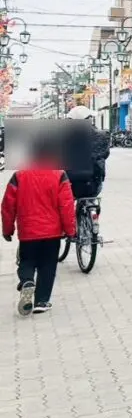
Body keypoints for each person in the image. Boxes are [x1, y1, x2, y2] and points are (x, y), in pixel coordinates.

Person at [3, 134, 76, 316]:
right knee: (48, 265)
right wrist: (70, 230)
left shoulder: (19, 176)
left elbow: (7, 206)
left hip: (28, 232)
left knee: (27, 260)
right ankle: (42, 301)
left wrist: (7, 229)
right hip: (52, 233)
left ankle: (27, 280)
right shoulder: (60, 174)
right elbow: (66, 206)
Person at [63, 106, 111, 204]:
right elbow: (105, 154)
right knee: (90, 200)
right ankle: (91, 212)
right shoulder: (101, 135)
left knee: (66, 204)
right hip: (93, 180)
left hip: (69, 181)